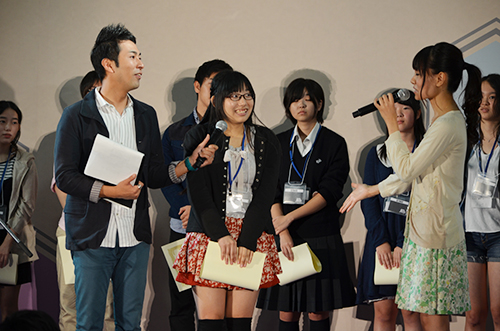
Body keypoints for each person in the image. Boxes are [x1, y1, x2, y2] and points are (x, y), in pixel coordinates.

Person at [54, 24, 216, 331]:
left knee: (130, 324)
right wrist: (110, 191)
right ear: (109, 64)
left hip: (134, 237)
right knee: (88, 324)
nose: (141, 64)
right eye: (133, 57)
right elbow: (64, 176)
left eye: (140, 56)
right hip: (91, 236)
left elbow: (154, 174)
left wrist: (188, 164)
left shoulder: (145, 114)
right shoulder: (76, 115)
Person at [340, 42, 482, 331]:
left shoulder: (448, 124)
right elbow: (411, 174)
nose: (413, 81)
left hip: (436, 234)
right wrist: (370, 190)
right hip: (424, 232)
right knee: (417, 309)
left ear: (439, 78)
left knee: (430, 315)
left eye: (418, 74)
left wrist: (392, 125)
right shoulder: (442, 123)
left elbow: (405, 167)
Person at [173, 70, 282, 331]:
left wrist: (246, 239)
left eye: (247, 95)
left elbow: (265, 194)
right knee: (211, 323)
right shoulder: (201, 137)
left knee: (240, 324)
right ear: (216, 100)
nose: (242, 102)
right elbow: (198, 195)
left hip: (250, 234)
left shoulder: (266, 140)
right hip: (210, 234)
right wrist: (221, 235)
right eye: (234, 96)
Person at [257, 78, 356, 331]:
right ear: (287, 106)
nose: (300, 105)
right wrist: (283, 230)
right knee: (287, 312)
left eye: (308, 99)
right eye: (294, 100)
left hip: (320, 235)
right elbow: (270, 192)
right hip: (285, 238)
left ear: (319, 104)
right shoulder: (277, 143)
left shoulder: (334, 143)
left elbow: (330, 191)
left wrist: (288, 219)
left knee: (317, 312)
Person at [161, 59, 232, 331]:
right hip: (181, 225)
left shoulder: (234, 131)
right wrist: (188, 206)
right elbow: (166, 177)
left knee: (218, 305)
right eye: (212, 85)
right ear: (197, 86)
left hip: (220, 229)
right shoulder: (174, 132)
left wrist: (204, 210)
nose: (217, 93)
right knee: (181, 302)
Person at [356, 90, 424, 331]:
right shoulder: (374, 154)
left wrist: (402, 242)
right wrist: (382, 241)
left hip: (417, 237)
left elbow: (425, 200)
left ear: (417, 113)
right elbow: (368, 200)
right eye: (392, 110)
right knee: (384, 313)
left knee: (411, 313)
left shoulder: (426, 151)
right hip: (381, 237)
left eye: (404, 108)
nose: (398, 114)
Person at [52, 71, 115, 331]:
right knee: (71, 306)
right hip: (72, 232)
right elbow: (60, 187)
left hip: (109, 234)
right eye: (93, 90)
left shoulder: (119, 134)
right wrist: (83, 221)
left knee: (107, 308)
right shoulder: (69, 131)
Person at [463, 73, 500, 331]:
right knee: (474, 316)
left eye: (492, 97)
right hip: (469, 234)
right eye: (481, 97)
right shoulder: (466, 139)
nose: (484, 103)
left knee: (499, 312)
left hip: (499, 234)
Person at [0, 101, 38, 321]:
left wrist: (7, 241)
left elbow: (27, 205)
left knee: (8, 312)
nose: (8, 128)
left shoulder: (25, 161)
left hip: (11, 239)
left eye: (14, 122)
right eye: (2, 121)